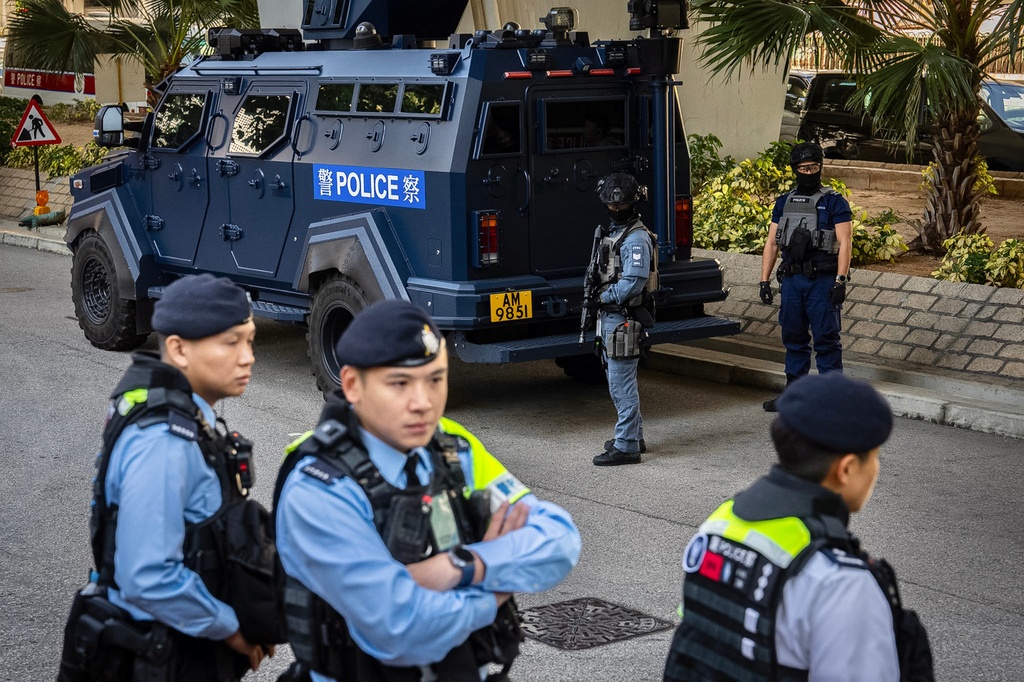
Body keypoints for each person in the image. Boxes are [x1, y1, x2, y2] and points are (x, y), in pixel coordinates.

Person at [273, 299, 581, 681]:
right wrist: (494, 593)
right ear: (352, 384)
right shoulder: (319, 486)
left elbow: (558, 538)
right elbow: (400, 629)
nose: (423, 403)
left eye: (435, 380)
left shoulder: (452, 447)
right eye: (400, 383)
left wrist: (465, 566)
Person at [58, 274, 275, 682]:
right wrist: (231, 628)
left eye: (250, 341)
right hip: (158, 654)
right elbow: (148, 577)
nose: (247, 357)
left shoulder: (184, 416)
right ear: (178, 349)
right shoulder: (163, 440)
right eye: (231, 343)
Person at [663, 373, 933, 682]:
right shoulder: (842, 582)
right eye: (874, 457)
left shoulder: (719, 524)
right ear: (846, 469)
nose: (877, 468)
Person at [759, 142, 853, 412]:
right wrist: (764, 280)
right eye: (803, 168)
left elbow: (845, 243)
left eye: (813, 167)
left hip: (821, 280)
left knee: (826, 337)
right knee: (793, 337)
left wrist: (841, 280)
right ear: (795, 170)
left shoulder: (834, 201)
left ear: (820, 168)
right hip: (792, 280)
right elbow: (772, 243)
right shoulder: (784, 201)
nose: (809, 172)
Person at [587, 172, 658, 466]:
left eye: (621, 205)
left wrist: (602, 298)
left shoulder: (635, 239)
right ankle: (634, 437)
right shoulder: (616, 233)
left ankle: (626, 445)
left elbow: (634, 281)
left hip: (624, 317)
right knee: (619, 379)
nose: (615, 209)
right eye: (611, 205)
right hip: (612, 318)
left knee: (621, 385)